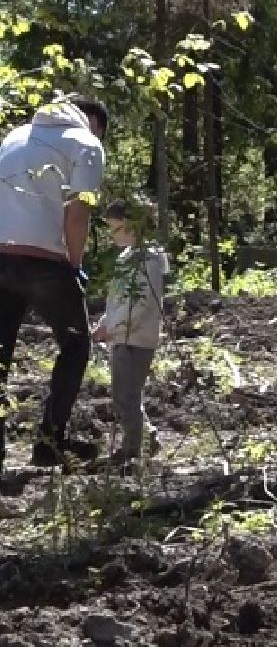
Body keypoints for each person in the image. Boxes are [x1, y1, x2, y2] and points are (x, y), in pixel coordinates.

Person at [0, 98, 107, 469]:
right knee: (76, 346)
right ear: (94, 124)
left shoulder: (15, 136)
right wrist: (74, 264)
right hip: (44, 261)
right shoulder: (87, 144)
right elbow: (78, 213)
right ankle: (50, 442)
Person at [92, 199, 167, 465]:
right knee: (122, 393)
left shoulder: (150, 260)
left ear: (135, 226)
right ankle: (146, 438)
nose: (112, 235)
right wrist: (105, 322)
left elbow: (142, 302)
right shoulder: (126, 259)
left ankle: (133, 448)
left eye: (117, 228)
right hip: (121, 336)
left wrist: (114, 328)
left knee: (127, 395)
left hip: (137, 338)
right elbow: (118, 300)